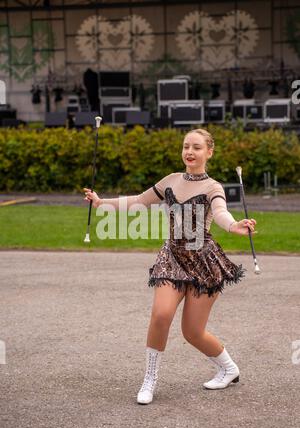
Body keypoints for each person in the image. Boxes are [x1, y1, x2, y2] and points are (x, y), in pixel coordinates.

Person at [84, 128, 257, 405]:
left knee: (192, 332)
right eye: (186, 146)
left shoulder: (213, 187)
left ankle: (229, 368)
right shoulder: (171, 181)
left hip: (203, 261)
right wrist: (101, 201)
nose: (190, 151)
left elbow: (222, 212)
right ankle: (149, 379)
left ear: (209, 152)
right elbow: (140, 201)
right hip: (172, 257)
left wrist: (235, 225)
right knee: (161, 314)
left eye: (197, 147)